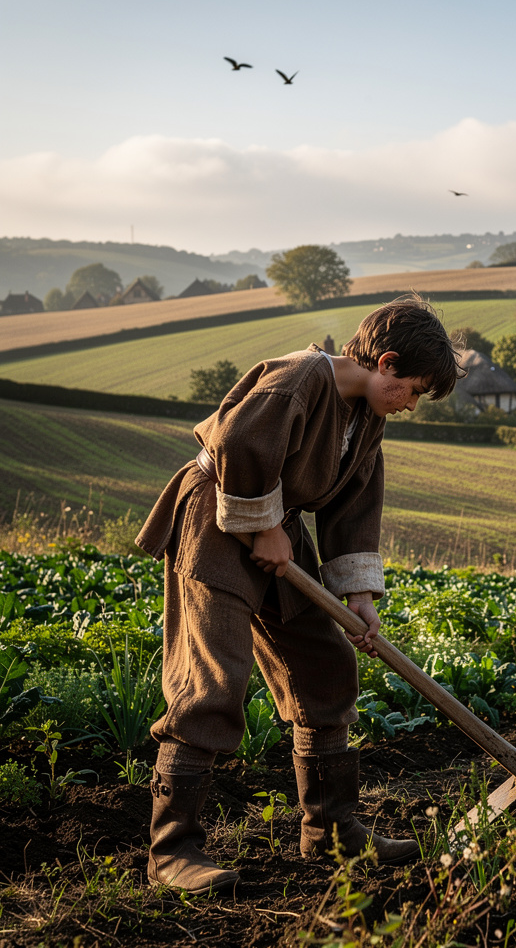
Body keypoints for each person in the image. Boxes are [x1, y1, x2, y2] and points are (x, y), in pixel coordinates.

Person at [135, 294, 462, 893]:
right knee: (212, 680)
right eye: (413, 390)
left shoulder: (368, 417)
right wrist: (262, 525)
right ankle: (171, 851)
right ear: (386, 363)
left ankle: (332, 831)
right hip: (215, 522)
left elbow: (354, 506)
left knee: (325, 666)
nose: (411, 404)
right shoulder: (300, 378)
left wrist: (359, 596)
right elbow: (237, 442)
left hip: (277, 532)